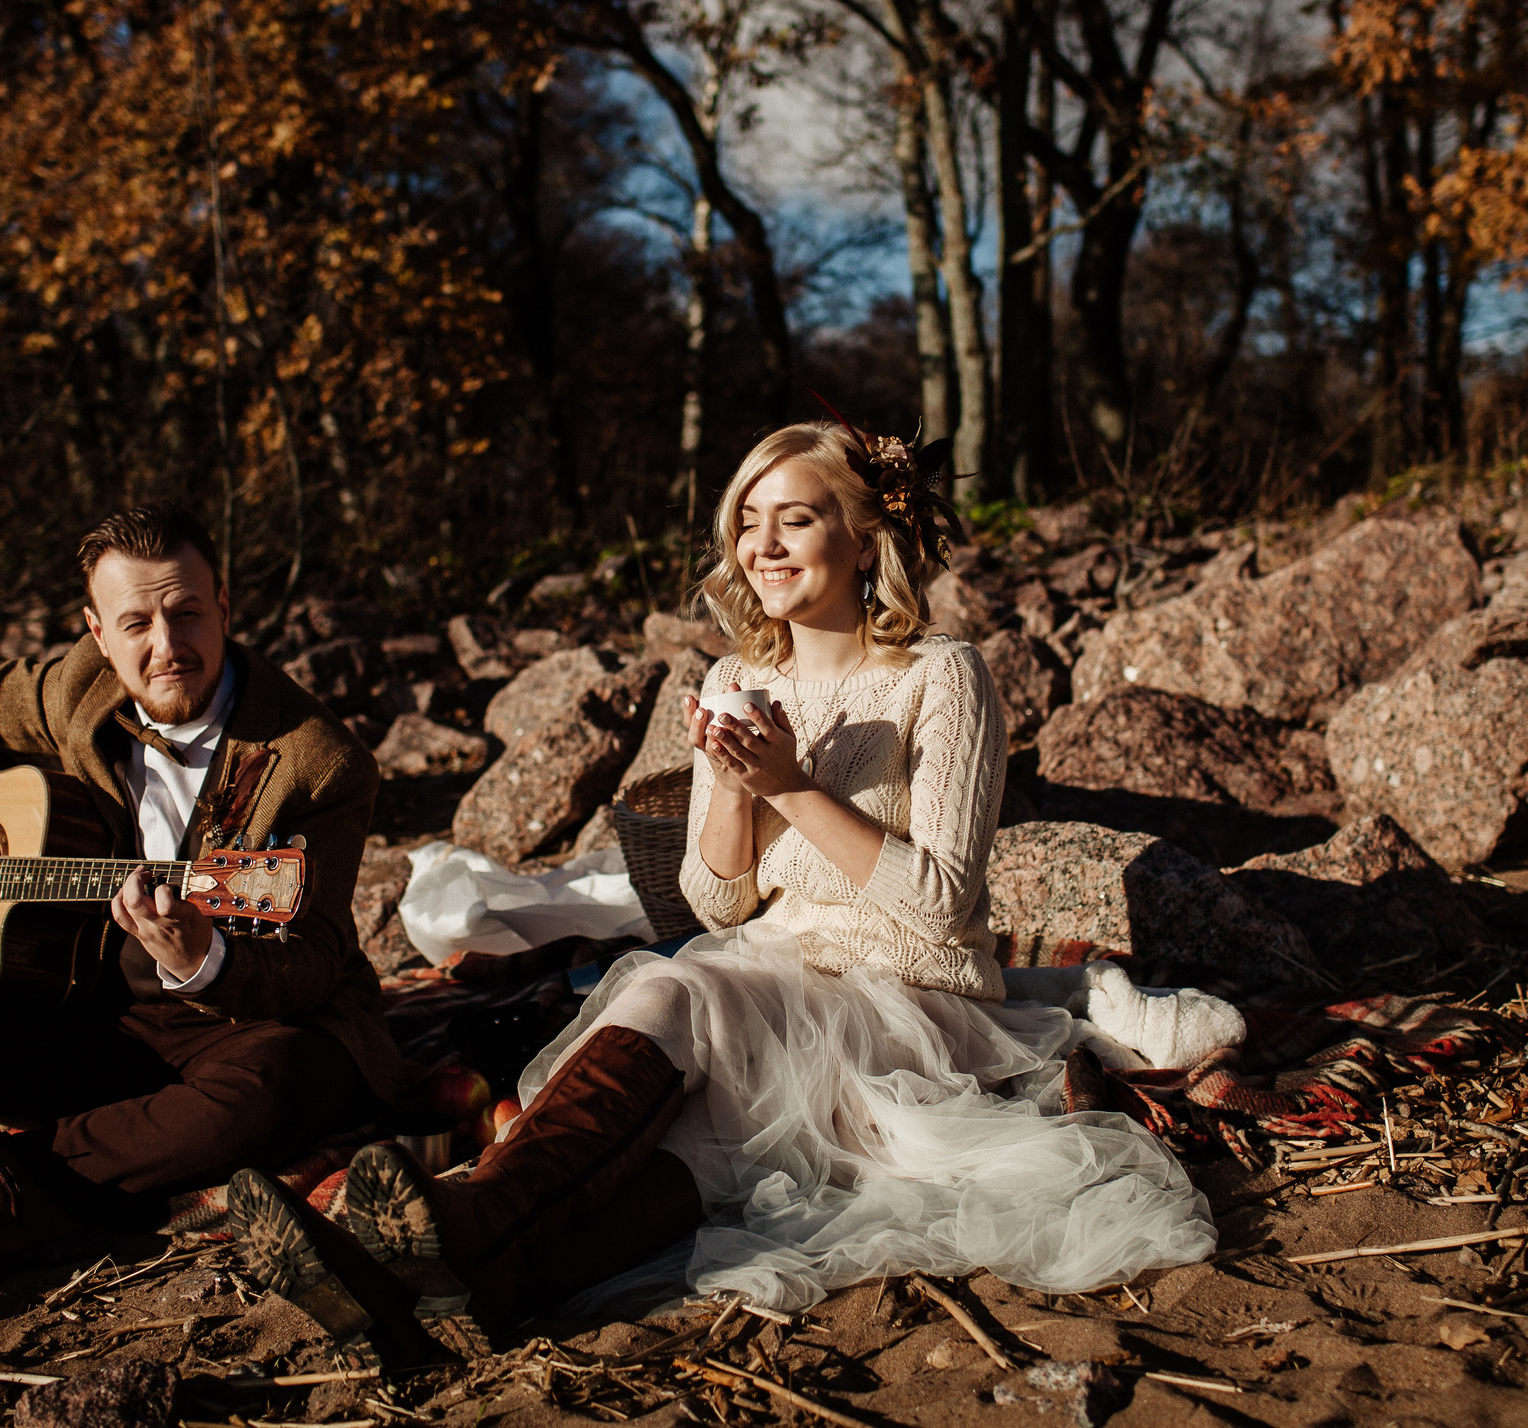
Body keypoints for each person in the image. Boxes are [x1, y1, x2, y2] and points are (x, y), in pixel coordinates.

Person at [228, 420, 1218, 1360]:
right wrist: (738, 791)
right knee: (704, 1143)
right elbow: (715, 906)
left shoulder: (942, 675)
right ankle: (462, 1291)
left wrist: (791, 785)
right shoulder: (741, 677)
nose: (762, 545)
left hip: (911, 997)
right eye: (748, 521)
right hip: (776, 976)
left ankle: (471, 1218)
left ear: (864, 537)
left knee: (673, 988)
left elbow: (942, 898)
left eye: (795, 518)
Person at [0, 502, 404, 1318]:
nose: (167, 646)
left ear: (223, 604)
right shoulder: (77, 685)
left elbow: (313, 958)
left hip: (244, 1021)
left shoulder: (319, 760)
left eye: (187, 613)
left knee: (274, 1089)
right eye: (136, 623)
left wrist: (202, 956)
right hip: (88, 1010)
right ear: (96, 630)